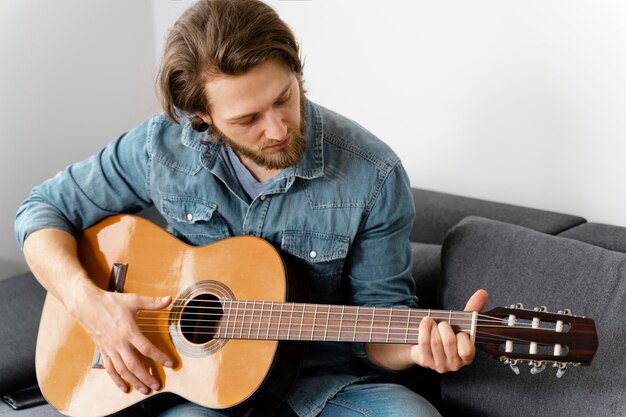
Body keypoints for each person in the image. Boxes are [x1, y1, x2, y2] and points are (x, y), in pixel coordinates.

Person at [15, 1, 488, 416]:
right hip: (195, 389)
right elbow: (40, 212)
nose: (279, 129)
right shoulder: (160, 148)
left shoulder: (373, 174)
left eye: (284, 97)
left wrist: (419, 349)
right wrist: (90, 303)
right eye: (247, 119)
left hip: (324, 387)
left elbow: (382, 328)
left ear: (296, 72)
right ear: (202, 118)